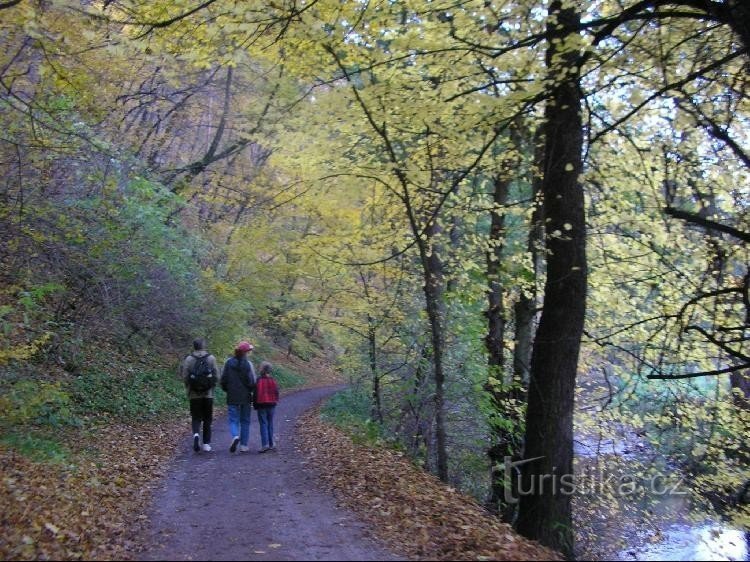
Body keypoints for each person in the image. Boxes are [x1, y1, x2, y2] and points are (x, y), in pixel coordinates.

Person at [180, 338, 220, 452]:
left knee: (196, 417)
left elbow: (185, 376)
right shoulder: (211, 358)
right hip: (208, 394)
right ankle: (206, 443)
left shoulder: (189, 359)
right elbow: (217, 375)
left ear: (194, 346)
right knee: (208, 418)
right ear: (203, 346)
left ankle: (196, 434)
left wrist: (189, 387)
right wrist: (211, 385)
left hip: (194, 394)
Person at [220, 340, 256, 453]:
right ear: (246, 352)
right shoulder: (248, 364)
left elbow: (223, 379)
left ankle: (235, 436)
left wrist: (227, 390)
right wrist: (251, 390)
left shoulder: (228, 362)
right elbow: (252, 381)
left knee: (233, 420)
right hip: (245, 396)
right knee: (245, 421)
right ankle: (244, 445)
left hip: (232, 395)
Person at [254, 361, 279, 453]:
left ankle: (265, 444)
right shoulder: (273, 380)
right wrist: (276, 401)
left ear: (261, 369)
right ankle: (272, 443)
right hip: (271, 404)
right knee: (270, 423)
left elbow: (256, 394)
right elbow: (276, 392)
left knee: (263, 424)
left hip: (261, 404)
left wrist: (255, 405)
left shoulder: (258, 380)